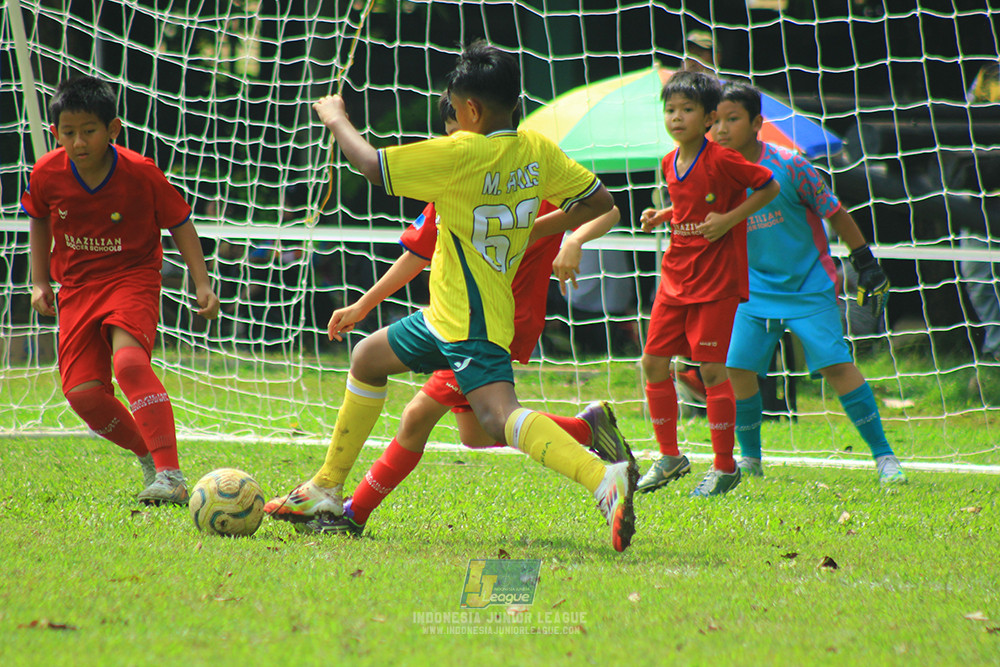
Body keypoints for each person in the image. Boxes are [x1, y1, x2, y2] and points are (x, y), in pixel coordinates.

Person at [265, 41, 640, 552]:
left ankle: (603, 480)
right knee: (367, 357)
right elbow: (600, 201)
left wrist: (335, 118)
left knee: (495, 418)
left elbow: (372, 166)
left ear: (470, 110)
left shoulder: (461, 152)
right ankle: (326, 487)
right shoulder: (537, 150)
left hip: (473, 320)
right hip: (444, 315)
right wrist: (534, 228)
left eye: (451, 106)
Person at [22, 76, 221, 504]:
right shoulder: (46, 172)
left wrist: (202, 282)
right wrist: (40, 280)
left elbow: (180, 222)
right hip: (76, 288)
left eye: (89, 131)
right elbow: (38, 217)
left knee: (129, 363)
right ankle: (149, 454)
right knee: (83, 394)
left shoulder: (140, 172)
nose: (78, 142)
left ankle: (170, 474)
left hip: (132, 278)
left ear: (112, 129)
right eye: (68, 133)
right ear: (55, 133)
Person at [710, 80, 906, 484]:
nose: (722, 129)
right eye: (715, 121)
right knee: (739, 369)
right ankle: (750, 460)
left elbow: (835, 212)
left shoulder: (791, 164)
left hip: (808, 286)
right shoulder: (712, 172)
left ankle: (885, 458)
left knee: (837, 367)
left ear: (757, 123)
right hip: (751, 290)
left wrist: (865, 261)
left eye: (733, 119)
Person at [636, 70, 779, 497]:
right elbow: (687, 205)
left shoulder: (724, 158)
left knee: (713, 369)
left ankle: (724, 466)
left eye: (687, 110)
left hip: (716, 277)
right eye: (670, 110)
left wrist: (730, 219)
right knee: (652, 362)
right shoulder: (668, 161)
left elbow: (768, 187)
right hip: (676, 271)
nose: (676, 118)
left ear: (709, 117)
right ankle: (670, 456)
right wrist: (663, 216)